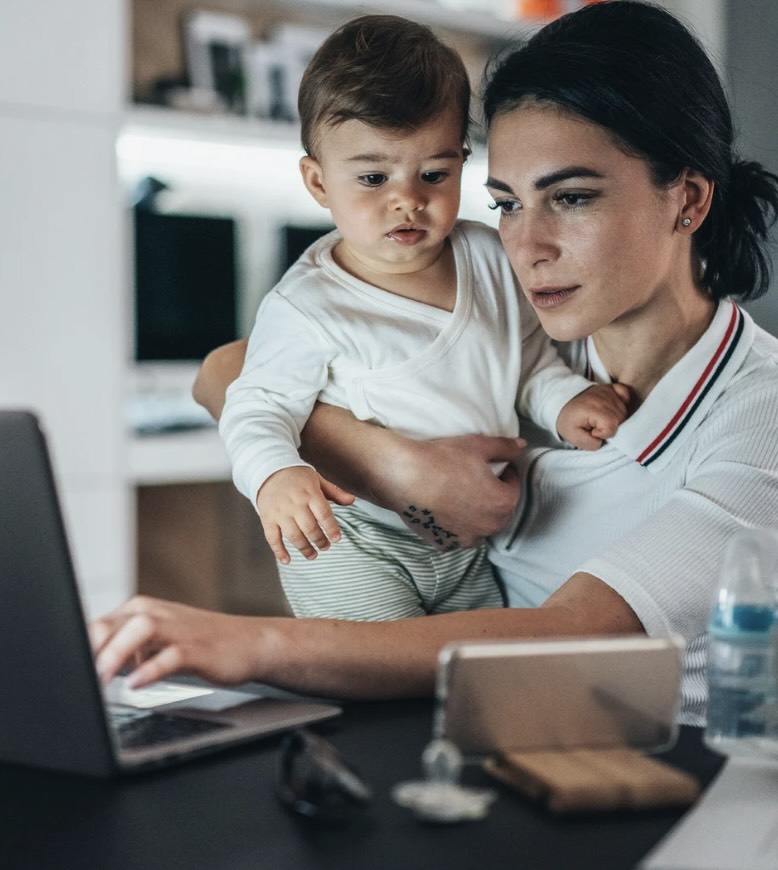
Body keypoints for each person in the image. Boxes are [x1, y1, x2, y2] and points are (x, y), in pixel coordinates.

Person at [92, 0, 778, 725]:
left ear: (689, 199)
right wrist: (392, 465)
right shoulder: (543, 317)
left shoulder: (757, 414)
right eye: (508, 204)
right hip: (488, 744)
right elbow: (224, 370)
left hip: (657, 782)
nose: (527, 246)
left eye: (571, 197)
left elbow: (573, 635)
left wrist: (251, 644)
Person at [219, 15, 627, 621]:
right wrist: (275, 475)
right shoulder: (306, 305)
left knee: (468, 682)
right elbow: (255, 406)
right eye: (373, 177)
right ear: (317, 182)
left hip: (468, 550)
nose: (407, 198)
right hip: (357, 541)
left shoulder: (488, 256)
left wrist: (564, 402)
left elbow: (526, 360)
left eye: (434, 174)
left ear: (464, 163)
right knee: (373, 677)